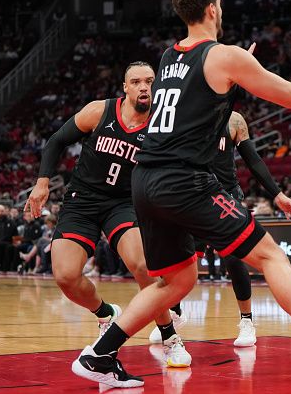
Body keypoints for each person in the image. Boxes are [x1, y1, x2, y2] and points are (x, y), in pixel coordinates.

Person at [71, 0, 291, 388]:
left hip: (145, 182)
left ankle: (100, 354)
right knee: (271, 255)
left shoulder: (169, 56)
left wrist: (236, 77)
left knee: (178, 279)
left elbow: (205, 107)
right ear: (213, 9)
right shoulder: (224, 56)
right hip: (184, 180)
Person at [24, 62, 190, 368]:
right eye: (137, 81)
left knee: (143, 265)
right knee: (65, 276)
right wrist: (42, 182)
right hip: (82, 200)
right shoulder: (100, 111)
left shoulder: (163, 125)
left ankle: (169, 337)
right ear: (125, 87)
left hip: (124, 203)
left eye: (150, 81)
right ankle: (105, 313)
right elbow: (57, 141)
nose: (144, 87)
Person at [147, 110, 291, 347]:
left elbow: (253, 160)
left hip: (226, 196)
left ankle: (247, 321)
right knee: (181, 261)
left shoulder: (234, 120)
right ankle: (175, 313)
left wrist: (277, 194)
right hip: (193, 195)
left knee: (233, 257)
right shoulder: (186, 114)